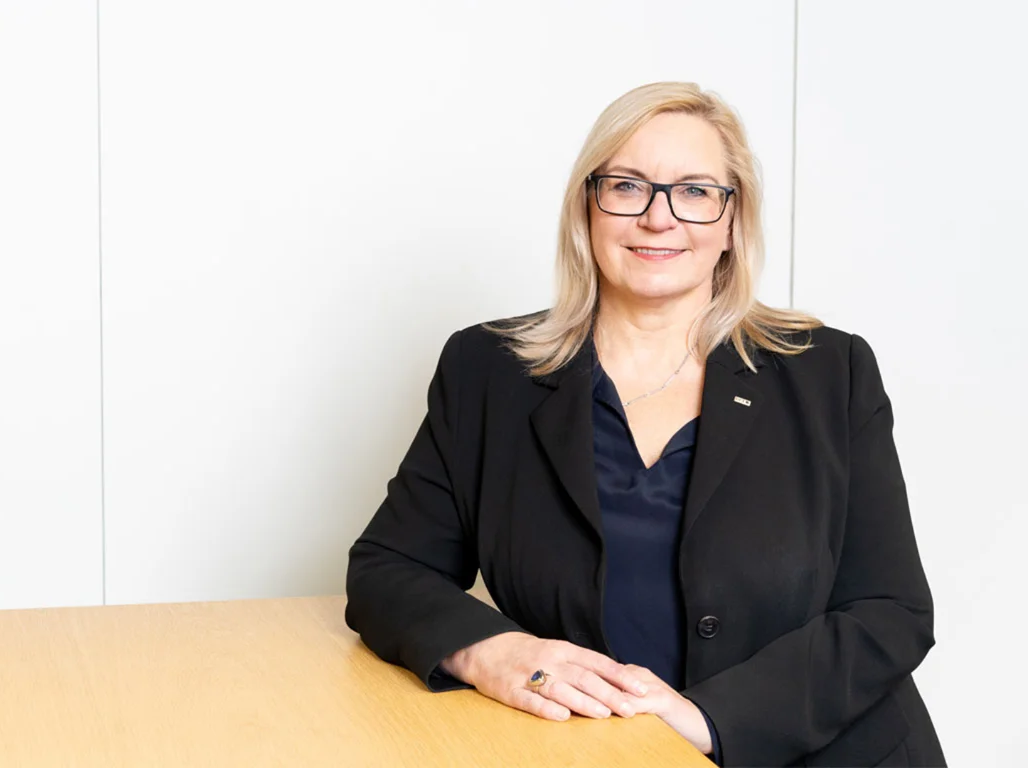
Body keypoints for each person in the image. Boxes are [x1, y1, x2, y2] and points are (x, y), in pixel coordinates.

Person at [344, 81, 945, 767]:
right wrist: (497, 653)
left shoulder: (828, 372)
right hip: (596, 754)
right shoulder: (488, 370)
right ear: (588, 207)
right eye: (628, 186)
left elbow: (891, 610)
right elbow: (388, 569)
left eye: (694, 192)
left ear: (732, 221)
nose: (659, 218)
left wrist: (705, 721)